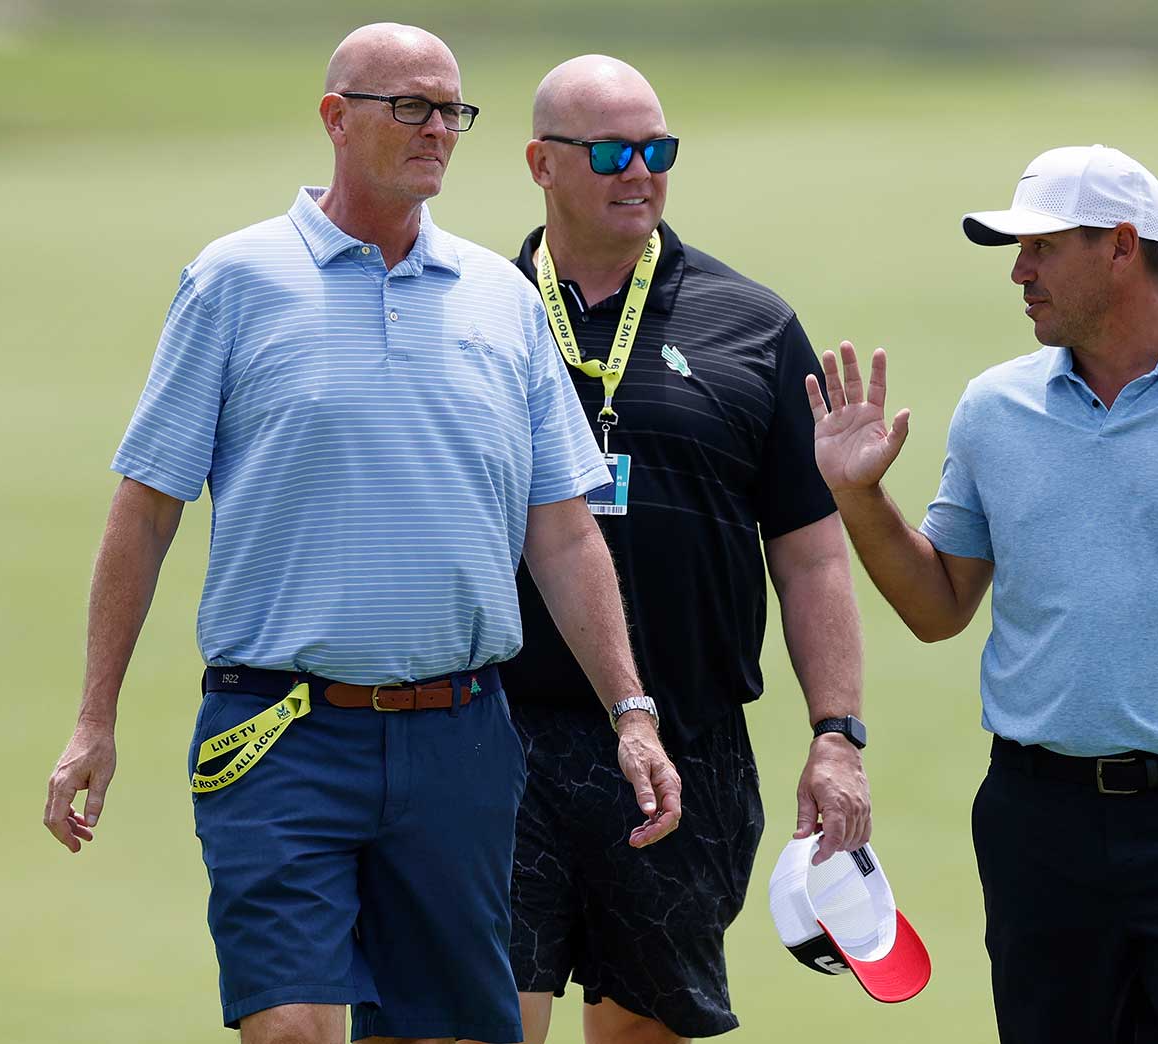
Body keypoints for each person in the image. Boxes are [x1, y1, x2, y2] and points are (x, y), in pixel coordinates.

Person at [40, 25, 682, 1044]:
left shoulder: (500, 299)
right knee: (290, 1029)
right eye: (410, 107)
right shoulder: (234, 280)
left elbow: (561, 535)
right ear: (336, 118)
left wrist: (631, 712)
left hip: (460, 738)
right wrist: (94, 719)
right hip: (278, 729)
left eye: (452, 112)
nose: (437, 130)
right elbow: (148, 506)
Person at [807, 144, 1158, 1043]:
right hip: (1039, 823)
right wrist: (858, 496)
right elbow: (938, 606)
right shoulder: (995, 408)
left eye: (1041, 248)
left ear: (1120, 245)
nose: (1019, 273)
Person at [497, 55, 871, 1044]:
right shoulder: (477, 310)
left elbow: (811, 555)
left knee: (641, 1032)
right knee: (487, 1018)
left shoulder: (752, 324)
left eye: (657, 150)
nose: (639, 172)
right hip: (497, 731)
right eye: (610, 152)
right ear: (540, 163)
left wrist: (836, 732)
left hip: (686, 742)